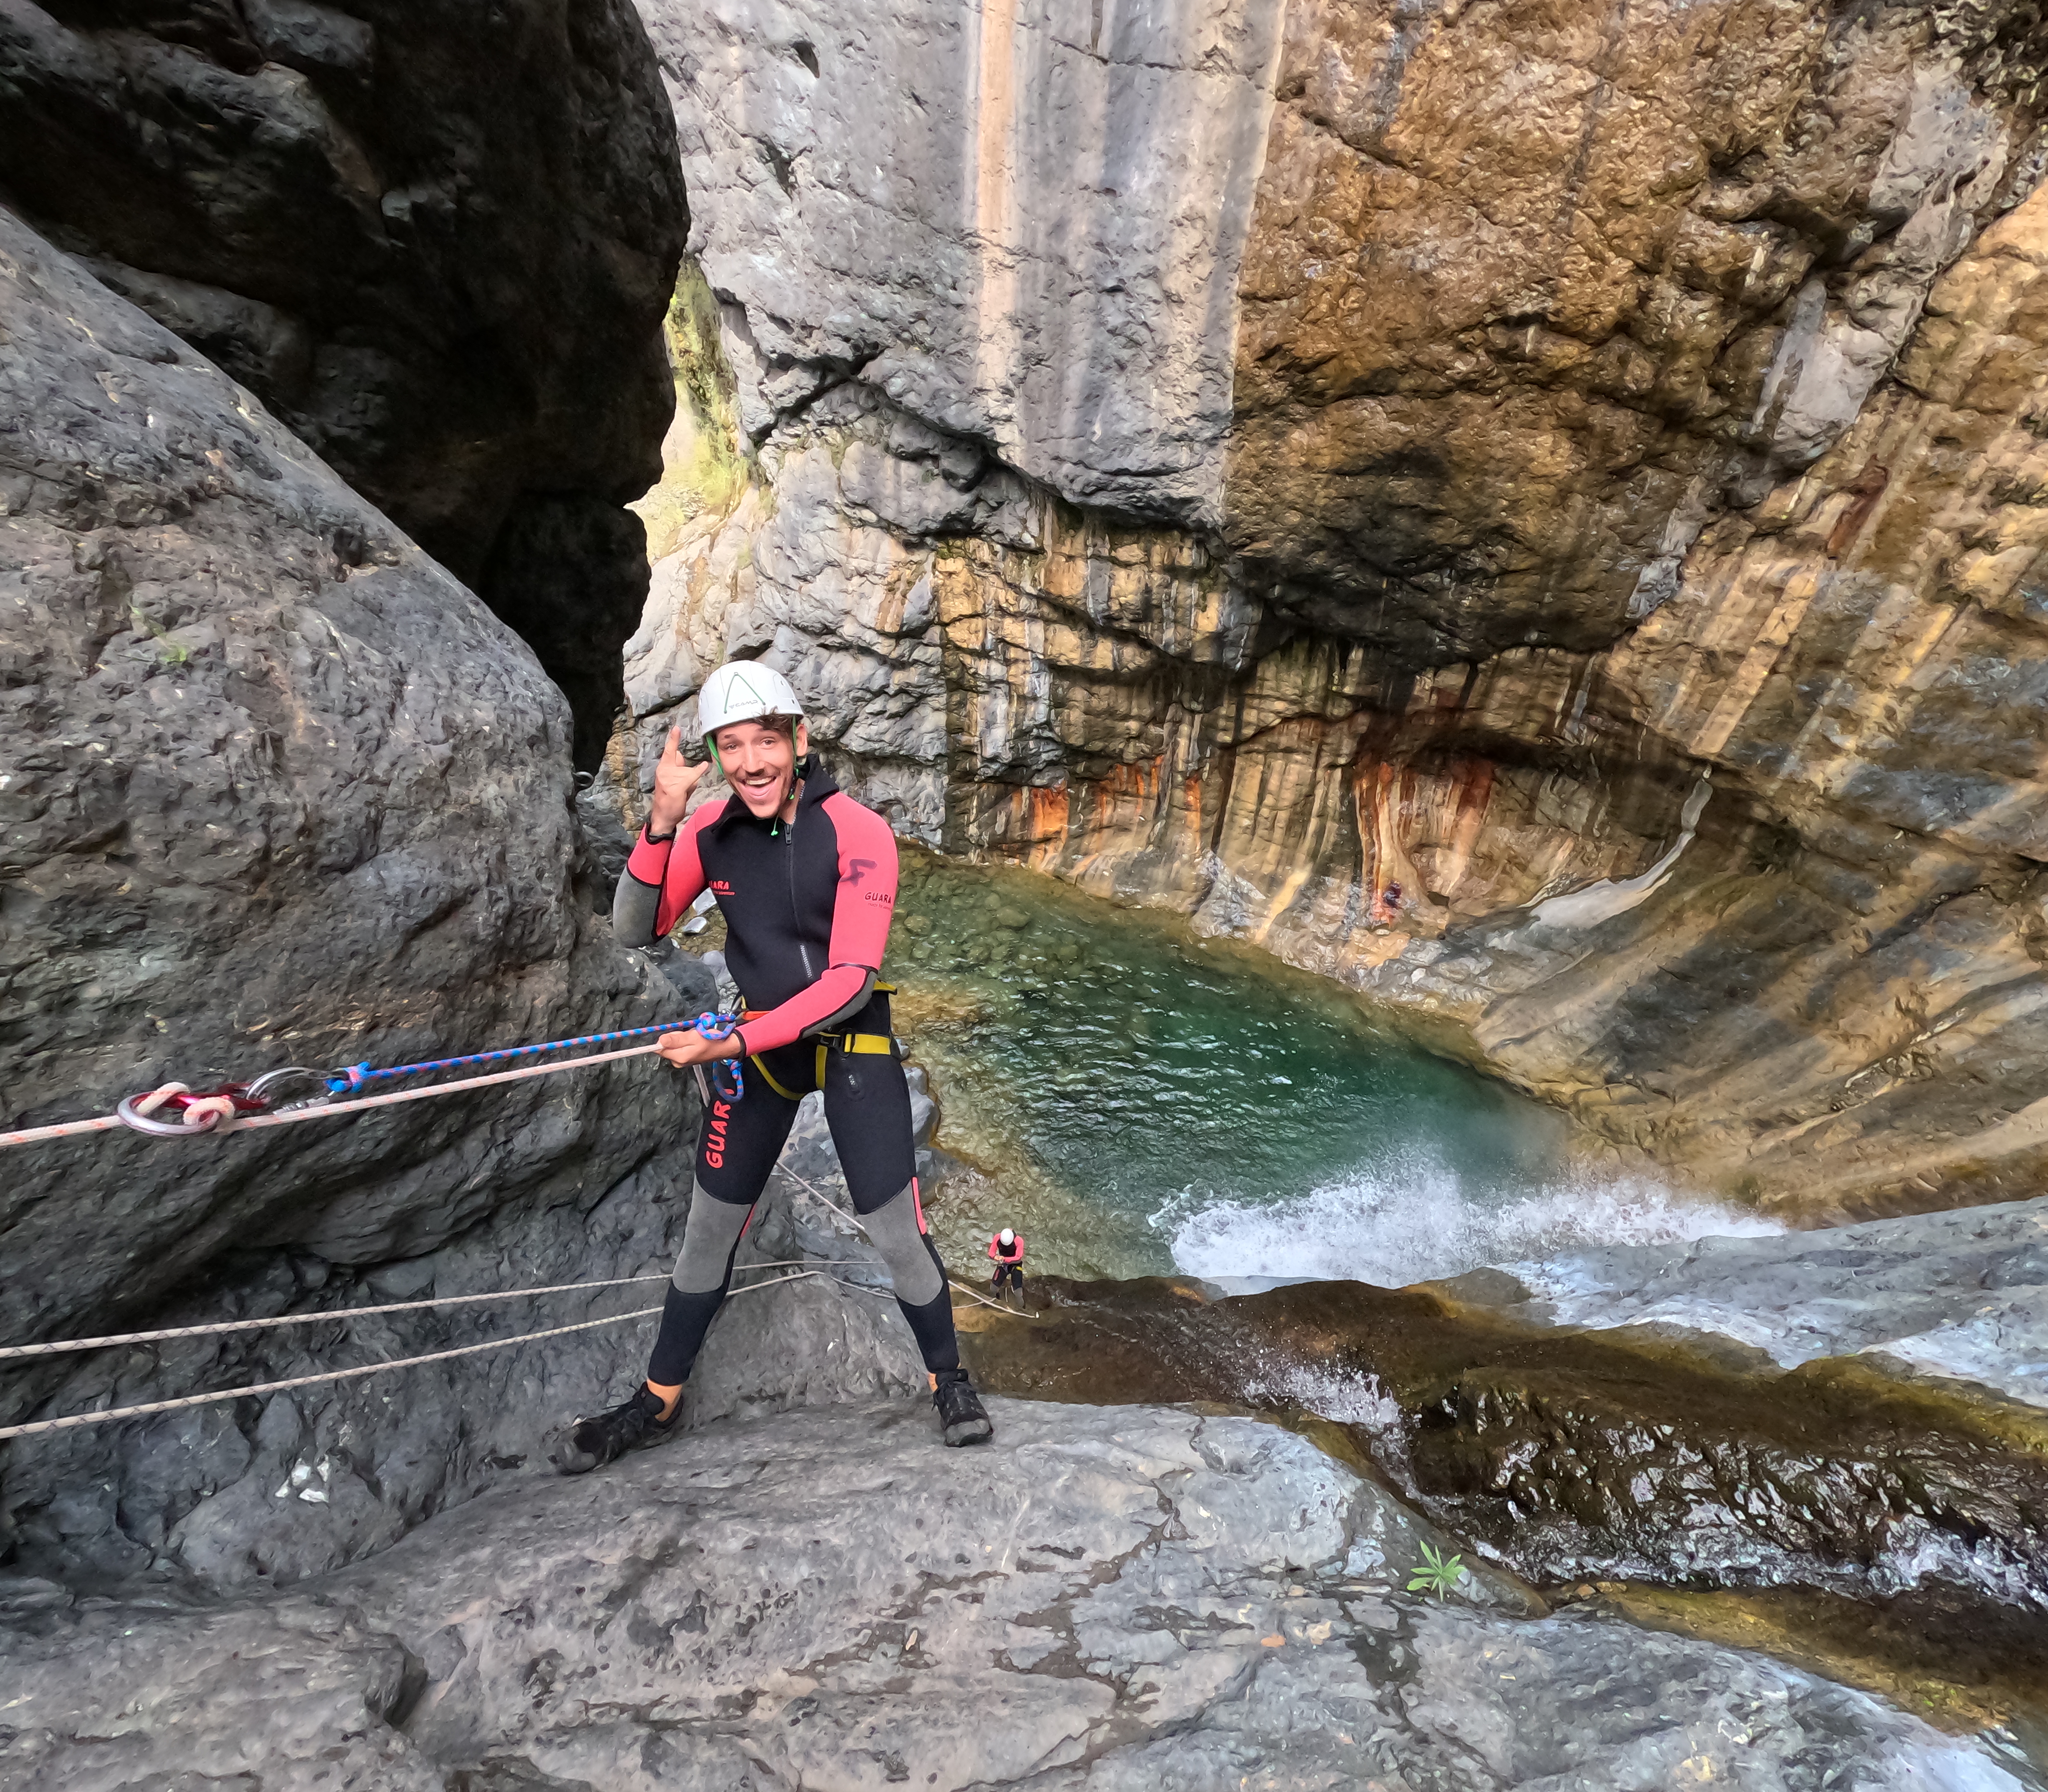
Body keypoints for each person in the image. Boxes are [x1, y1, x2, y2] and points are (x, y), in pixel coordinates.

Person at [558, 661, 994, 1470]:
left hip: (847, 1042)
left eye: (767, 740)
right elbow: (636, 928)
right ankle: (655, 1404)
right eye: (733, 746)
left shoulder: (858, 832)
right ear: (719, 757)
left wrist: (731, 1044)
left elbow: (850, 980)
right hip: (761, 1048)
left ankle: (947, 1380)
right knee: (708, 1231)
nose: (752, 762)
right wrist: (660, 821)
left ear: (800, 740)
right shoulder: (710, 832)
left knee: (895, 1231)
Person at [988, 1227, 1025, 1296]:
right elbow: (991, 1252)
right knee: (993, 1288)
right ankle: (996, 1298)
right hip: (1003, 1264)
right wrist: (995, 1257)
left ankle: (1021, 1305)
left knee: (1019, 1293)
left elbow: (1018, 1257)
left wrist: (1005, 1259)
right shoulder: (997, 1238)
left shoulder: (1019, 1241)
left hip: (1016, 1265)